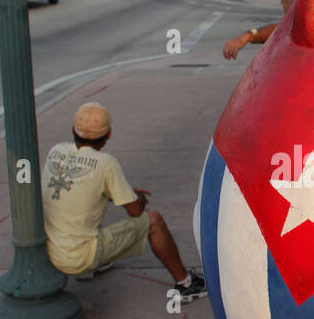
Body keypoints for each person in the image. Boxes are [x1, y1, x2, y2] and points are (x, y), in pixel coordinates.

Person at [41, 102, 207, 302]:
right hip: (77, 257)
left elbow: (81, 187)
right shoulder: (106, 163)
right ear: (108, 134)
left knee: (88, 208)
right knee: (153, 221)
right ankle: (186, 284)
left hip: (50, 248)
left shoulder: (56, 150)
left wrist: (121, 193)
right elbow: (135, 212)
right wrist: (139, 199)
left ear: (73, 130)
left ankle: (93, 267)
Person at [222, 0, 298, 60]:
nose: (281, 2)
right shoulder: (292, 23)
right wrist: (249, 35)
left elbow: (279, 31)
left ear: (294, 2)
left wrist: (248, 36)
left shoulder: (301, 25)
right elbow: (279, 30)